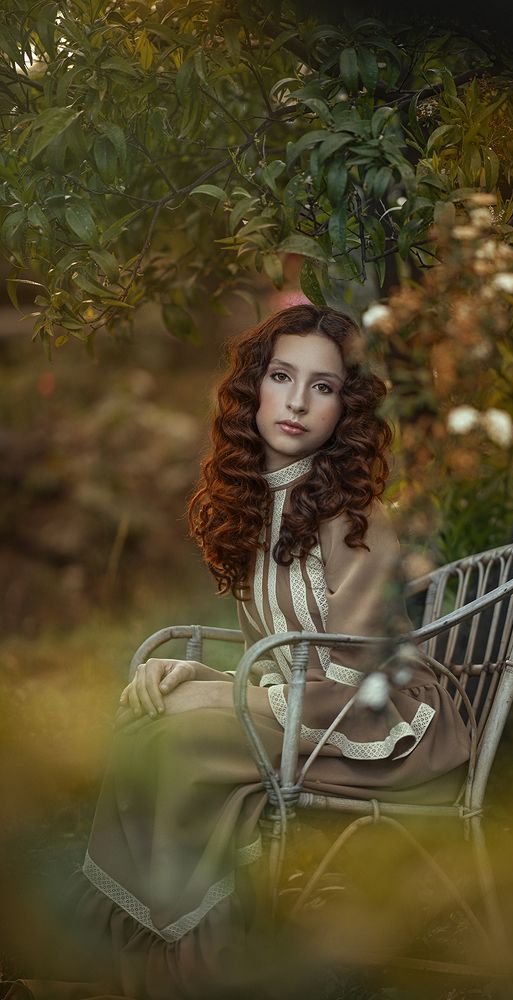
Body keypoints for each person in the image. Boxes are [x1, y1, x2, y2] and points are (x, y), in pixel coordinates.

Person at [6, 304, 470, 1000]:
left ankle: (192, 963)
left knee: (182, 734)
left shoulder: (357, 521)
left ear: (346, 408)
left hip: (386, 726)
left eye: (323, 386)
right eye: (282, 376)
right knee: (150, 718)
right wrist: (192, 673)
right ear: (253, 388)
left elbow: (349, 673)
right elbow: (277, 658)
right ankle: (146, 951)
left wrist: (209, 695)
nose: (297, 401)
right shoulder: (258, 510)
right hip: (314, 711)